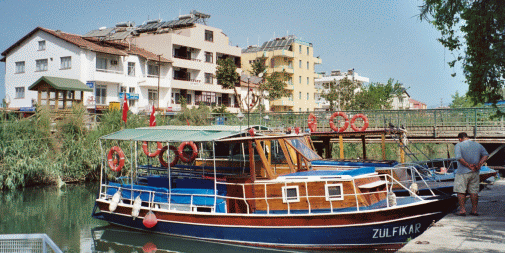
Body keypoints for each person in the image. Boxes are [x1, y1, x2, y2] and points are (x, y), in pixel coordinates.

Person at [453, 132, 489, 216]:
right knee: (474, 191)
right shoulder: (478, 145)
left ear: (460, 139)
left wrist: (468, 165)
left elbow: (459, 157)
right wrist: (479, 164)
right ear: (467, 137)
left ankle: (462, 210)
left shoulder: (459, 145)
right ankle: (474, 210)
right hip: (475, 172)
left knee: (460, 191)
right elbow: (486, 155)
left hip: (462, 172)